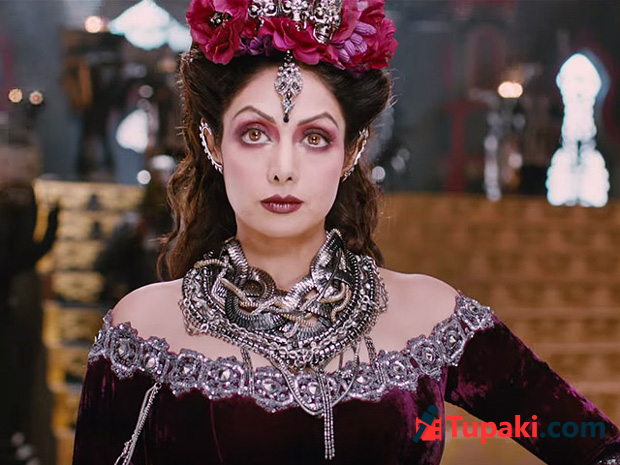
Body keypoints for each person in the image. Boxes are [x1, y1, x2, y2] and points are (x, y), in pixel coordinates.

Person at [72, 0, 620, 464]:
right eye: (255, 133)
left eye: (315, 138)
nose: (283, 168)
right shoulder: (145, 329)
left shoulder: (428, 317)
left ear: (352, 151)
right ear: (214, 143)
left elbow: (595, 446)